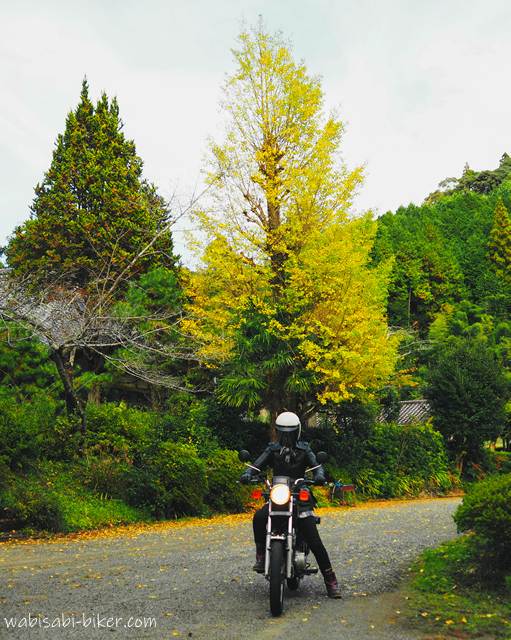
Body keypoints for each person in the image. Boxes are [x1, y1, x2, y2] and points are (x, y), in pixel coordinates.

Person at [240, 411, 342, 598]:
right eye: (283, 432)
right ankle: (261, 554)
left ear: (297, 432)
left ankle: (330, 579)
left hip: (299, 494)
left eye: (290, 432)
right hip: (279, 494)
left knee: (313, 536)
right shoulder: (272, 449)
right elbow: (257, 464)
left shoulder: (305, 449)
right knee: (259, 517)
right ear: (278, 432)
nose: (286, 436)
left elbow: (316, 467)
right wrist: (248, 474)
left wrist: (319, 476)